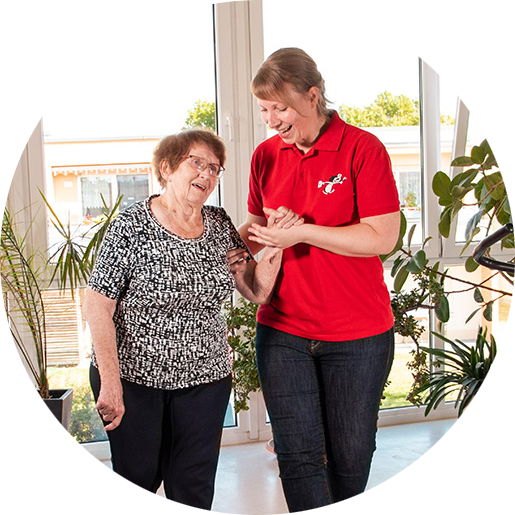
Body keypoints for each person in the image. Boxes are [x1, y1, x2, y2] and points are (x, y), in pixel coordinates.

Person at [82, 128, 284, 511]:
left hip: (206, 380)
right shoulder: (131, 226)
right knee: (138, 480)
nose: (207, 174)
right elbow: (97, 305)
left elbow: (256, 290)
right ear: (167, 168)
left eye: (215, 168)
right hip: (136, 379)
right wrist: (110, 382)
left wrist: (275, 246)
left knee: (193, 487)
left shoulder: (219, 224)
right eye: (197, 163)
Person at [238, 48, 401, 512]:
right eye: (264, 110)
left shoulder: (362, 149)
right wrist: (213, 243)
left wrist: (304, 231)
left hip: (357, 333)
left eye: (280, 108)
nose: (271, 121)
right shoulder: (266, 156)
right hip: (282, 329)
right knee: (297, 456)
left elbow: (382, 236)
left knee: (350, 457)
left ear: (312, 96)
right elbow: (255, 229)